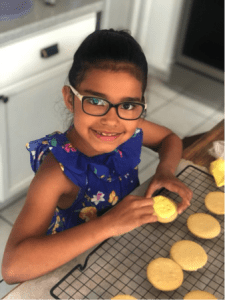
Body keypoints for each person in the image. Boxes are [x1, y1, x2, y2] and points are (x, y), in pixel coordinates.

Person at [2, 29, 193, 284]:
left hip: (122, 252)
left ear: (140, 106)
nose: (112, 121)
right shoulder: (56, 172)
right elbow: (13, 268)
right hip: (73, 269)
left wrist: (165, 171)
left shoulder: (132, 132)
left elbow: (171, 139)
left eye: (127, 105)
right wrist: (107, 225)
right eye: (95, 101)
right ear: (70, 99)